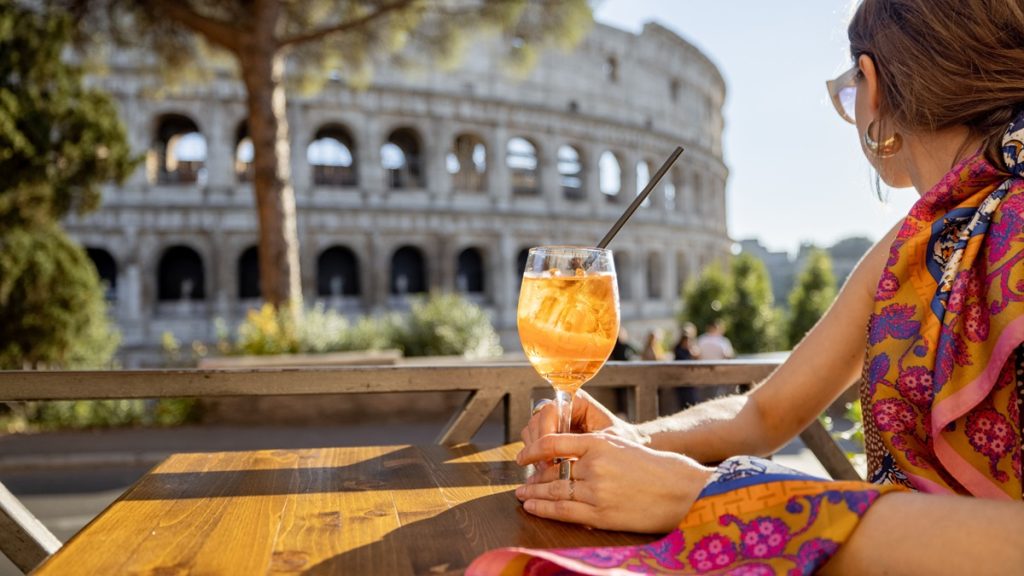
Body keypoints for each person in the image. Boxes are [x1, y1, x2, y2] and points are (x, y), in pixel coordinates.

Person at [475, 1, 1024, 574]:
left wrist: (709, 496)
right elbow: (764, 414)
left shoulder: (929, 242)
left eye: (847, 93)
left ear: (873, 86)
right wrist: (634, 436)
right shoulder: (916, 244)